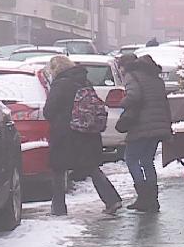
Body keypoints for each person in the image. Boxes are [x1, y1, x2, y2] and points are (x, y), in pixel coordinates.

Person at [43, 55, 122, 216]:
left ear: (55, 69)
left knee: (58, 169)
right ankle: (112, 199)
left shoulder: (60, 84)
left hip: (65, 133)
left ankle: (58, 208)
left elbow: (48, 111)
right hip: (86, 133)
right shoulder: (83, 81)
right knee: (92, 167)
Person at [117, 53, 172, 212]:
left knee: (131, 158)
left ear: (124, 66)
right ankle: (152, 200)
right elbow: (164, 103)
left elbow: (134, 96)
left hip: (142, 124)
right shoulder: (156, 78)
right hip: (158, 125)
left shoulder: (131, 75)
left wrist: (121, 102)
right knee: (147, 161)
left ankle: (144, 198)